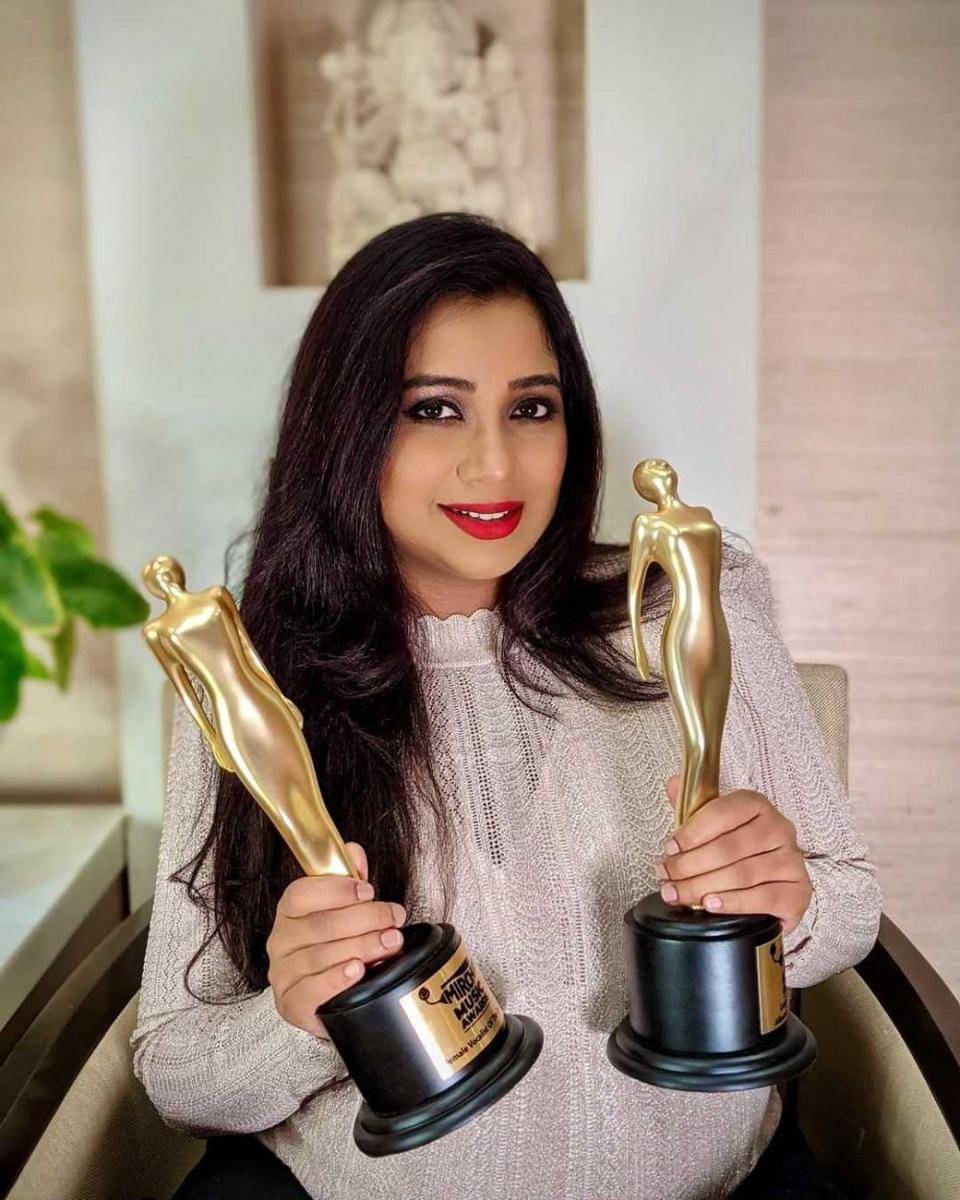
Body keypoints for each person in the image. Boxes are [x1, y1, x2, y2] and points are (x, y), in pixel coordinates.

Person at [132, 212, 880, 1199]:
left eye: (531, 407)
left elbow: (849, 904)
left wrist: (789, 901)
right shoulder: (252, 680)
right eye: (434, 409)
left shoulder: (692, 605)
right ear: (344, 429)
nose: (495, 464)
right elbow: (178, 1074)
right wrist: (296, 1017)